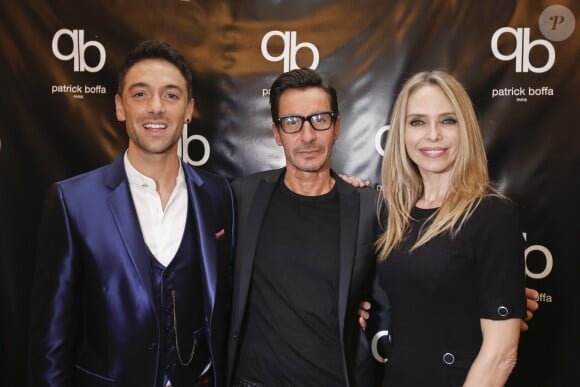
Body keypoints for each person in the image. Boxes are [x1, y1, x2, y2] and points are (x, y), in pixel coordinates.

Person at [28, 40, 235, 387]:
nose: (156, 108)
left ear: (189, 109)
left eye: (171, 95)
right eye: (140, 94)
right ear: (120, 107)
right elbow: (52, 340)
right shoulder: (72, 201)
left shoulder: (219, 195)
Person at [226, 68, 390, 387]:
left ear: (337, 126)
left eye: (319, 119)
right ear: (276, 133)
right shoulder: (240, 197)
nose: (307, 136)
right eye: (292, 122)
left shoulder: (367, 207)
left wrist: (492, 298)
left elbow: (414, 285)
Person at [374, 69, 526, 386]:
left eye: (448, 121)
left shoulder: (491, 214)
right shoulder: (394, 214)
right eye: (417, 121)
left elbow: (501, 354)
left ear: (465, 129)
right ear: (400, 132)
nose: (433, 135)